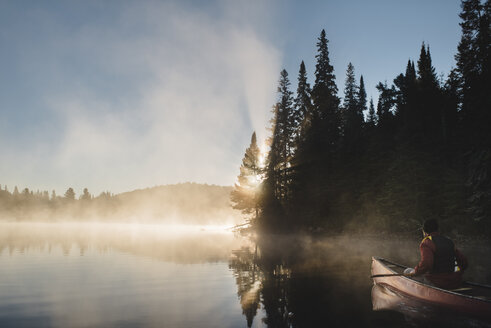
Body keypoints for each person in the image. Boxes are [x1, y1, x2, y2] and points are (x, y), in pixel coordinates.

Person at [404, 219, 468, 289]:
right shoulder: (449, 241)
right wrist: (456, 275)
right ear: (438, 230)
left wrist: (416, 272)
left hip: (437, 282)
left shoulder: (427, 243)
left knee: (407, 271)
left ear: (424, 231)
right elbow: (464, 262)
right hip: (455, 281)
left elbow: (426, 264)